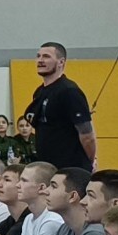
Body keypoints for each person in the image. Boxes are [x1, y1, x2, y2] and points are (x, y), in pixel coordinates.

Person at [24, 42, 96, 171]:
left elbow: (87, 135)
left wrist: (89, 161)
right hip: (46, 166)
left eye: (46, 56)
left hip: (70, 168)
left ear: (61, 62)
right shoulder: (39, 92)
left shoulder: (69, 91)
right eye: (38, 56)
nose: (40, 60)